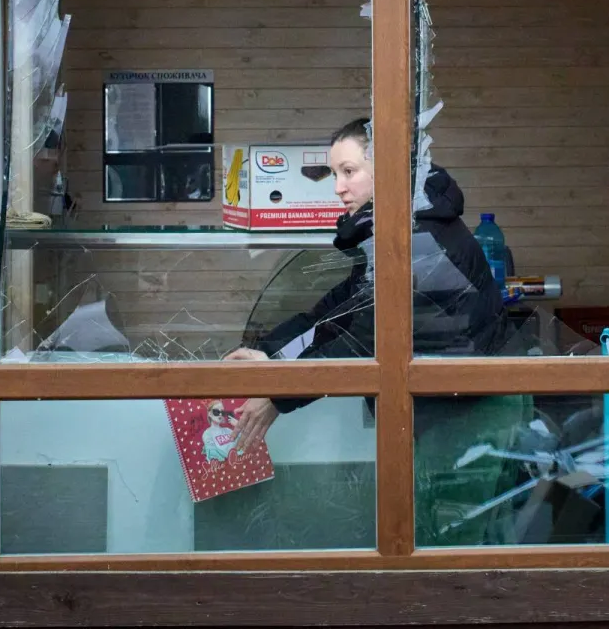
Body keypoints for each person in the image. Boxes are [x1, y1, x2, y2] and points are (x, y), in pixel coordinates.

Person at [224, 117, 529, 545]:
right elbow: (340, 309)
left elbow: (361, 338)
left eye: (348, 172)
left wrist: (278, 393)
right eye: (334, 174)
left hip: (474, 416)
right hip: (447, 415)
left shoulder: (418, 240)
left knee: (448, 551)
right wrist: (269, 354)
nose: (338, 187)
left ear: (387, 171)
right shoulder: (398, 229)